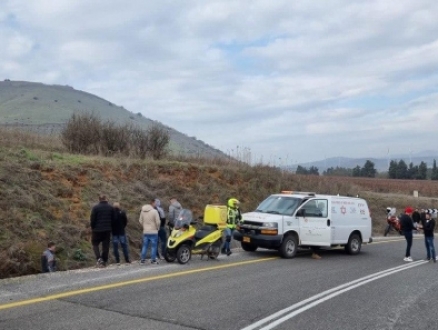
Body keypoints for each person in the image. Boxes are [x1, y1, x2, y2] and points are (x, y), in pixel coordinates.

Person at [90, 194, 114, 267]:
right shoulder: (110, 207)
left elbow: (92, 219)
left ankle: (99, 258)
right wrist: (111, 227)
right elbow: (113, 218)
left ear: (99, 199)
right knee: (105, 246)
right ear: (106, 198)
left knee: (95, 244)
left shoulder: (95, 208)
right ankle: (104, 260)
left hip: (97, 230)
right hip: (107, 229)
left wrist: (93, 227)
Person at [139, 199, 161, 264]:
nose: (155, 204)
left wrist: (144, 226)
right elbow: (158, 222)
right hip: (153, 231)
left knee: (145, 246)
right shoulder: (154, 211)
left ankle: (142, 260)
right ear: (153, 203)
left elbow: (140, 220)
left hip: (145, 231)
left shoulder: (142, 211)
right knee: (153, 246)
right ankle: (153, 260)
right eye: (155, 203)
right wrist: (157, 228)